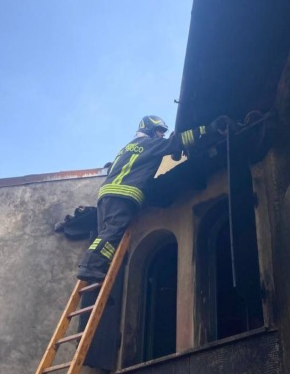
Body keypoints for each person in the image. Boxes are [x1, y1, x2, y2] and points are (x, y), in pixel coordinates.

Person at [77, 115, 209, 283]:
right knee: (112, 232)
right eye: (159, 131)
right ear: (150, 130)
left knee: (109, 238)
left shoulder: (127, 148)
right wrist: (208, 129)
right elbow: (177, 141)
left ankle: (99, 274)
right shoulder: (149, 144)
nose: (161, 135)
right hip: (123, 195)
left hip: (105, 197)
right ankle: (89, 266)